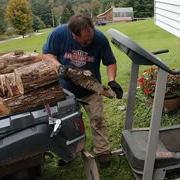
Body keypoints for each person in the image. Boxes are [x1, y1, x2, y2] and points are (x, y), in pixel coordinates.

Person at [42, 14, 123, 168]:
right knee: (65, 124)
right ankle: (67, 153)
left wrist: (112, 80)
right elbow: (46, 54)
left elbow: (110, 62)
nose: (89, 42)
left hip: (92, 89)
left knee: (97, 120)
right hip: (65, 91)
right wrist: (59, 66)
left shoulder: (99, 39)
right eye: (85, 40)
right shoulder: (59, 34)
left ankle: (103, 152)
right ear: (73, 34)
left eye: (90, 37)